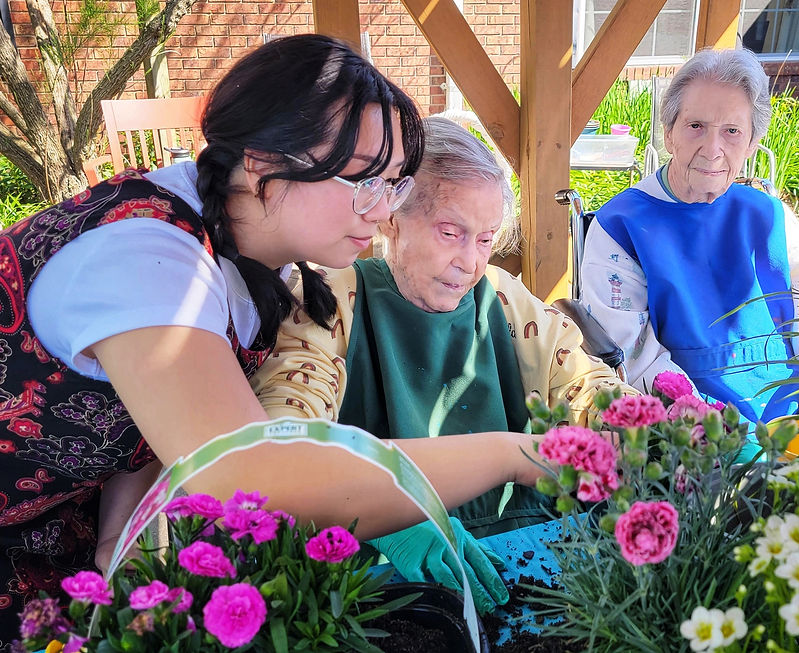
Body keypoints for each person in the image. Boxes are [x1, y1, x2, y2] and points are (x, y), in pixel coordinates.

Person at [0, 35, 545, 644]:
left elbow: (151, 408)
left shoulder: (257, 251)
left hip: (65, 555)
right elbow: (250, 476)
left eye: (393, 185)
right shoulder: (148, 258)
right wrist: (513, 455)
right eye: (364, 179)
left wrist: (115, 532)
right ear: (262, 160)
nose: (382, 210)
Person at [251, 116, 635, 613]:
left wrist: (648, 427)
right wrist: (387, 517)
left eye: (485, 238)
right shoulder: (331, 302)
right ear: (391, 217)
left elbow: (585, 386)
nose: (470, 262)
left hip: (516, 555)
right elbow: (283, 443)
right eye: (451, 232)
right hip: (381, 581)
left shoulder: (501, 299)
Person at [580, 48, 799, 436]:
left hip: (797, 422)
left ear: (751, 143)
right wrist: (718, 436)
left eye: (732, 131)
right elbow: (636, 358)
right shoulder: (620, 228)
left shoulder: (771, 217)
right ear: (669, 133)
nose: (713, 150)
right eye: (696, 125)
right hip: (695, 436)